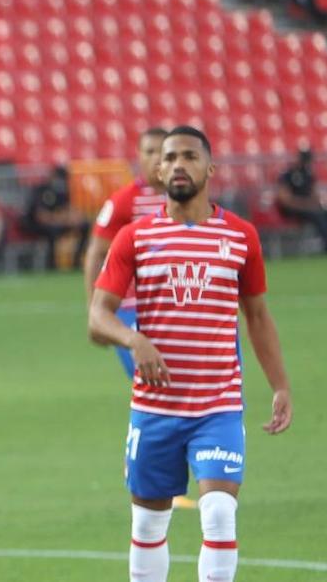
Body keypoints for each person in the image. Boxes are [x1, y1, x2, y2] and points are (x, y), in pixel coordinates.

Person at [88, 126, 292, 582]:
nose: (179, 164)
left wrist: (280, 385)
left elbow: (258, 315)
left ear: (210, 168)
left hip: (217, 405)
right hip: (155, 408)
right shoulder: (134, 237)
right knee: (148, 523)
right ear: (159, 171)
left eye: (190, 156)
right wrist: (134, 340)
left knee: (219, 513)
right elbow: (98, 316)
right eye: (170, 158)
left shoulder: (241, 236)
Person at [83, 128, 168, 380]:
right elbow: (96, 253)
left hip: (172, 306)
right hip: (131, 308)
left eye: (162, 152)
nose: (156, 158)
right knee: (152, 380)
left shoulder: (185, 200)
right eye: (150, 152)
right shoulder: (124, 201)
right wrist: (94, 311)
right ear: (139, 156)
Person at [275, 147, 327, 252]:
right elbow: (285, 200)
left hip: (309, 207)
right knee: (318, 215)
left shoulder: (309, 175)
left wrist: (317, 203)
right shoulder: (287, 174)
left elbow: (314, 195)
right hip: (293, 209)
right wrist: (305, 204)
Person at [23, 165, 89, 270]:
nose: (61, 181)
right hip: (35, 225)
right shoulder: (41, 190)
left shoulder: (62, 191)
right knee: (53, 231)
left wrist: (74, 218)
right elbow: (41, 216)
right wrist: (62, 220)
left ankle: (76, 261)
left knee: (85, 226)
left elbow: (67, 209)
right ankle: (51, 265)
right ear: (52, 176)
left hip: (57, 223)